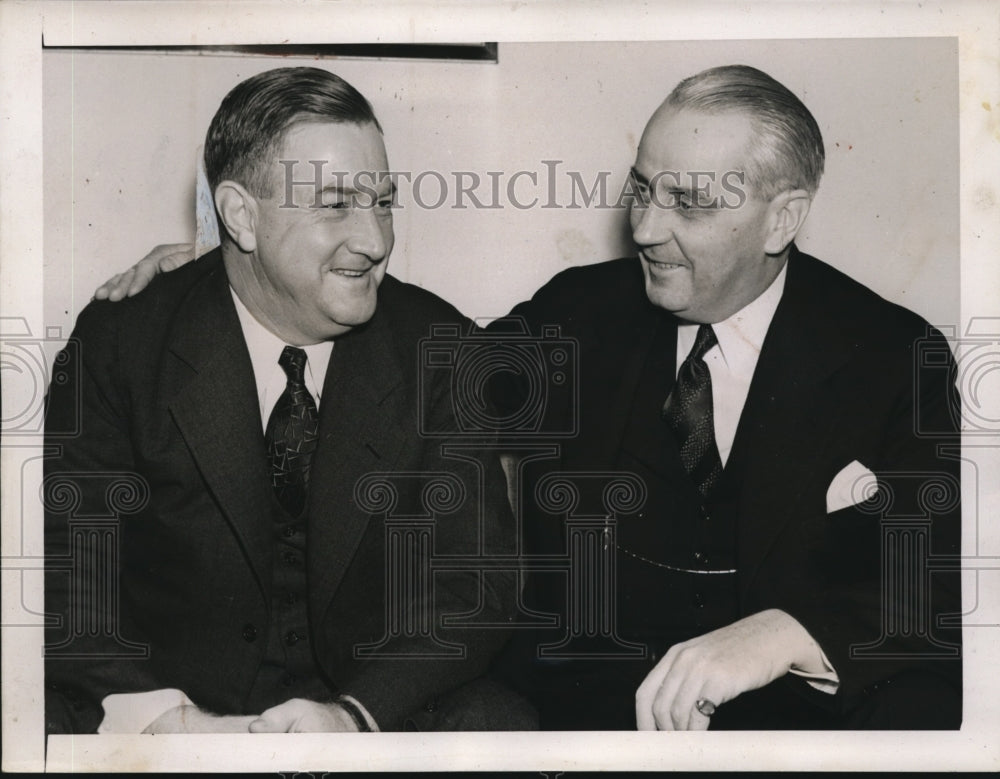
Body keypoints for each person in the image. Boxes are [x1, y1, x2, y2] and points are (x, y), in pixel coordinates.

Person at [97, 64, 962, 731]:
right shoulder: (580, 314)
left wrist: (787, 631)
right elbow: (417, 360)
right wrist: (226, 268)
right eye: (642, 188)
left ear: (783, 218)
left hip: (798, 724)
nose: (646, 228)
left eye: (688, 203)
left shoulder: (894, 357)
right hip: (590, 718)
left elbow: (940, 573)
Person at [44, 66, 526, 736]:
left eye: (383, 202)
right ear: (242, 215)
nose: (377, 241)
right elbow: (67, 575)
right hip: (172, 709)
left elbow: (474, 589)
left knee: (497, 721)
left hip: (372, 706)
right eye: (336, 205)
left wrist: (354, 717)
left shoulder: (442, 349)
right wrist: (164, 719)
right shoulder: (121, 343)